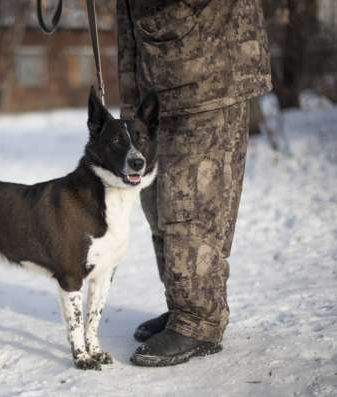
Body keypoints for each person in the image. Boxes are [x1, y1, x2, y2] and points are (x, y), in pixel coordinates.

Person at [116, 0, 272, 366]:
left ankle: (199, 321)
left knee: (192, 205)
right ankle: (183, 307)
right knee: (158, 203)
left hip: (206, 66)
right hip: (156, 72)